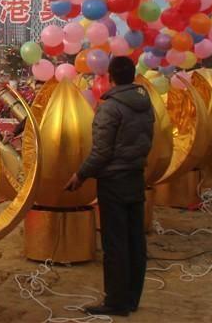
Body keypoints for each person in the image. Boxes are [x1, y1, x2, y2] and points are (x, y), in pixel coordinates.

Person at [65, 56, 154, 317]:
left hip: (114, 181)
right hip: (135, 176)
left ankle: (115, 301)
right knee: (135, 240)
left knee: (115, 243)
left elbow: (101, 152)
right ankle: (131, 298)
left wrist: (80, 175)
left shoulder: (111, 107)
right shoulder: (145, 104)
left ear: (110, 77)